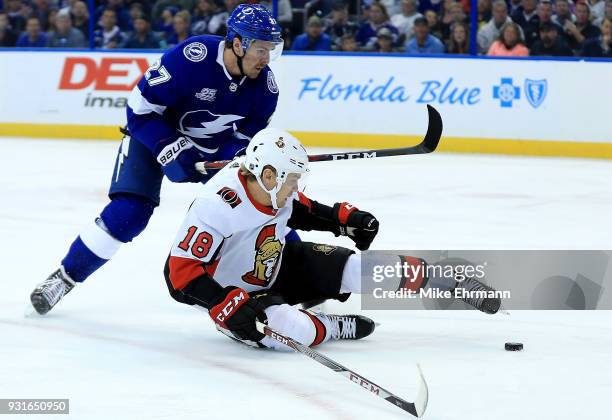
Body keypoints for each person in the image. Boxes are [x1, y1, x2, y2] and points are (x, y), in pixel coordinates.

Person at [29, 4, 286, 316]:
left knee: (269, 210)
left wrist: (225, 162)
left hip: (210, 151)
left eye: (270, 50)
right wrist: (170, 148)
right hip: (153, 137)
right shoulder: (193, 57)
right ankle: (66, 276)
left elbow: (243, 142)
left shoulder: (265, 89)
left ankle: (299, 281)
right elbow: (139, 110)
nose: (266, 58)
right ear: (237, 43)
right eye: (260, 49)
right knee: (129, 213)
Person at [164, 129, 501, 350]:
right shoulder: (216, 206)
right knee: (289, 329)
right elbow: (179, 275)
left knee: (359, 267)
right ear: (268, 175)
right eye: (291, 179)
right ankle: (330, 326)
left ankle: (445, 282)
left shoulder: (274, 189)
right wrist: (223, 305)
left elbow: (301, 209)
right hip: (244, 298)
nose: (296, 186)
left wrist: (344, 220)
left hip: (282, 261)